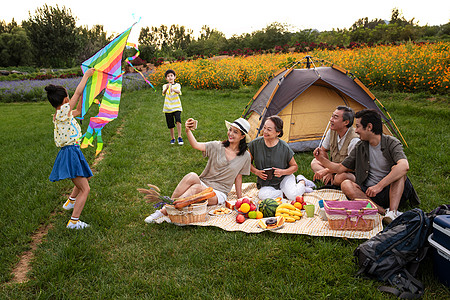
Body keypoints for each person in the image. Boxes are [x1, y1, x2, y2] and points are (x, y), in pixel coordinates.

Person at [313, 109, 419, 224]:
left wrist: (379, 186)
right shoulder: (360, 146)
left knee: (398, 170)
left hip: (391, 191)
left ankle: (393, 211)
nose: (356, 130)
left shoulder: (391, 142)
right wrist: (321, 159)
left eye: (358, 126)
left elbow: (404, 166)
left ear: (369, 127)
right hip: (369, 194)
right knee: (345, 184)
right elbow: (340, 168)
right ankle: (383, 212)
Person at [145, 117, 252, 223]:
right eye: (230, 130)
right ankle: (168, 208)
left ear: (242, 136)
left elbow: (238, 177)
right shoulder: (217, 146)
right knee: (192, 175)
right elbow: (196, 145)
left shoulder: (245, 156)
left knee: (196, 188)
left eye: (235, 132)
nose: (230, 133)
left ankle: (165, 211)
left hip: (218, 193)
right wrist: (187, 130)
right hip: (204, 182)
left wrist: (239, 199)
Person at [45, 68, 95, 230]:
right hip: (70, 153)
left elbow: (79, 111)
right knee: (85, 189)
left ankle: (70, 202)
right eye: (69, 97)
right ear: (66, 99)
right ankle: (74, 221)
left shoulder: (61, 114)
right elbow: (77, 93)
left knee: (84, 178)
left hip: (72, 152)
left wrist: (84, 95)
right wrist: (86, 76)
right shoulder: (62, 112)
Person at [248, 115, 315, 201]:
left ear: (278, 132)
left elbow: (294, 167)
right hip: (266, 183)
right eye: (264, 128)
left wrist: (283, 172)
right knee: (263, 196)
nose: (265, 131)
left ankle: (302, 181)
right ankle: (288, 192)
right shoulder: (255, 144)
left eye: (269, 129)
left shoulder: (284, 147)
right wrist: (256, 172)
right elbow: (247, 163)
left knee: (293, 196)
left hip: (284, 178)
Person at [311, 106, 359, 186]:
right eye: (332, 116)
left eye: (335, 117)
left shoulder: (354, 140)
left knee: (341, 177)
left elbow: (351, 167)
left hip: (348, 172)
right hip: (334, 168)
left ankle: (330, 181)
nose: (331, 119)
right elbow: (323, 150)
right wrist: (329, 169)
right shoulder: (332, 131)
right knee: (314, 162)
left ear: (346, 122)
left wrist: (327, 170)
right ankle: (330, 181)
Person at [162, 69, 183, 145]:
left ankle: (179, 137)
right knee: (170, 124)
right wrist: (167, 88)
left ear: (175, 77)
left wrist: (173, 89)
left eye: (171, 75)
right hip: (168, 108)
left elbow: (178, 92)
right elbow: (163, 93)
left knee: (178, 120)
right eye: (168, 76)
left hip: (177, 107)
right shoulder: (165, 86)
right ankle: (172, 138)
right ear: (166, 78)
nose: (170, 77)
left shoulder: (177, 85)